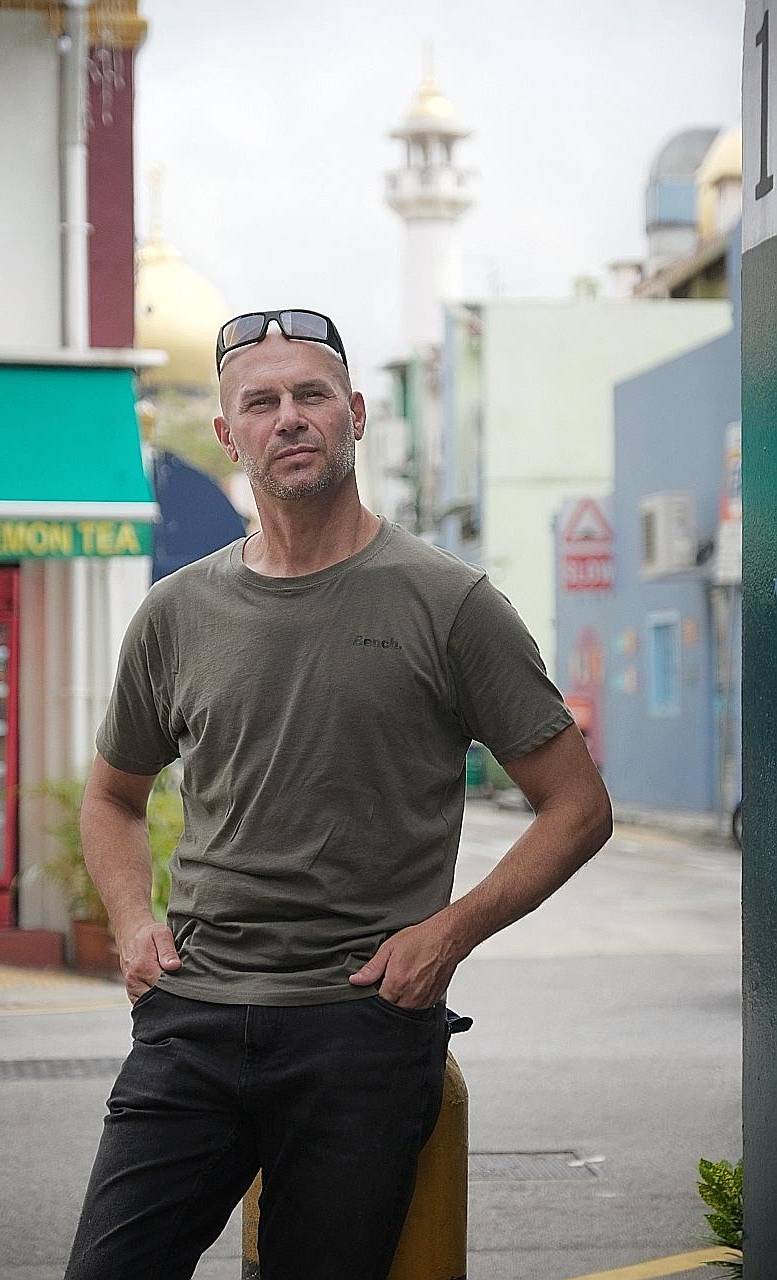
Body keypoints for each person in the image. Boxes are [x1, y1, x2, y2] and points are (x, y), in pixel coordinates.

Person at [64, 309, 612, 1280]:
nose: (289, 417)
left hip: (359, 1027)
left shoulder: (449, 603)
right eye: (260, 402)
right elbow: (112, 795)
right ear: (228, 434)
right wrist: (131, 921)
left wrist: (446, 935)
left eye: (310, 394)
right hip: (192, 1015)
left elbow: (576, 805)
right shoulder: (175, 611)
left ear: (353, 413)